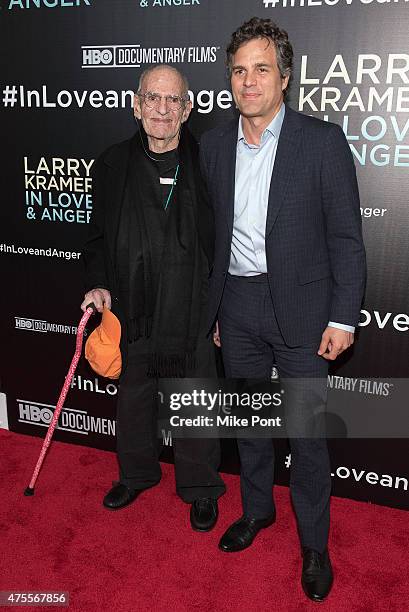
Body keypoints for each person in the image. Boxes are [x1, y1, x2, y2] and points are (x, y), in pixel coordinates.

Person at [200, 18, 366, 602]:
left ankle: (315, 545)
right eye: (239, 70)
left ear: (285, 78)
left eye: (261, 69)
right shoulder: (214, 144)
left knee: (306, 435)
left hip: (303, 308)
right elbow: (209, 235)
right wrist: (215, 307)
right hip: (238, 305)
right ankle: (256, 511)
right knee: (247, 425)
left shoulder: (321, 141)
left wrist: (343, 317)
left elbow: (347, 237)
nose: (248, 81)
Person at [81, 64, 225, 531]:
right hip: (131, 305)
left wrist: (222, 305)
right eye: (152, 98)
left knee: (195, 399)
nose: (162, 110)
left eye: (173, 101)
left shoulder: (210, 163)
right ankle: (137, 474)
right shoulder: (111, 163)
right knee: (135, 399)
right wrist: (99, 282)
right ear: (136, 104)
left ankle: (201, 487)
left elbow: (225, 240)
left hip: (191, 309)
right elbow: (98, 237)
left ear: (187, 109)